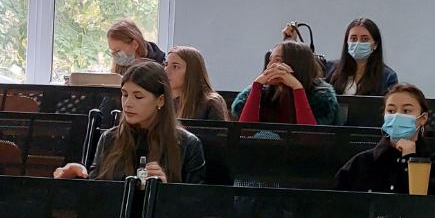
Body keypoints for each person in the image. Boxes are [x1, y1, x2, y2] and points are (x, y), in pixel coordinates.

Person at [55, 61, 205, 183]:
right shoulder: (109, 138)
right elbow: (95, 195)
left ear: (161, 100)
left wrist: (164, 191)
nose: (127, 104)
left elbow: (195, 204)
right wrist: (77, 177)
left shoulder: (188, 144)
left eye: (138, 97)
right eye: (125, 95)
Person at [334, 83, 435, 194]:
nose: (397, 116)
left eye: (406, 111)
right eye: (391, 111)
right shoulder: (361, 163)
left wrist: (410, 160)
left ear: (423, 118)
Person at [232, 40, 343, 126]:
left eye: (277, 60)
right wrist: (257, 85)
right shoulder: (262, 93)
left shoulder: (320, 96)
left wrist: (297, 87)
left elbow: (309, 137)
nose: (269, 66)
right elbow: (245, 133)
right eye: (270, 60)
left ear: (296, 65)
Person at [326, 17, 399, 97]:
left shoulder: (388, 76)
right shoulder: (329, 69)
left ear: (375, 44)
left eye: (364, 39)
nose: (358, 43)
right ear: (347, 42)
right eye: (353, 39)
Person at [165, 46, 229, 122]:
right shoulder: (161, 101)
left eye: (175, 67)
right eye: (166, 65)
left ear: (192, 72)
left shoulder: (210, 103)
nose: (166, 71)